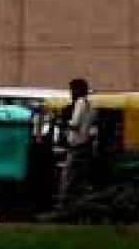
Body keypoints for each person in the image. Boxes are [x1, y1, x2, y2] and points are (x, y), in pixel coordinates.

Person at [54, 77, 95, 208]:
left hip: (76, 145)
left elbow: (75, 123)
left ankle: (63, 204)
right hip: (86, 143)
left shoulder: (80, 103)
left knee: (68, 177)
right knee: (81, 177)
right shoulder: (91, 104)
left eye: (72, 90)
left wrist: (63, 123)